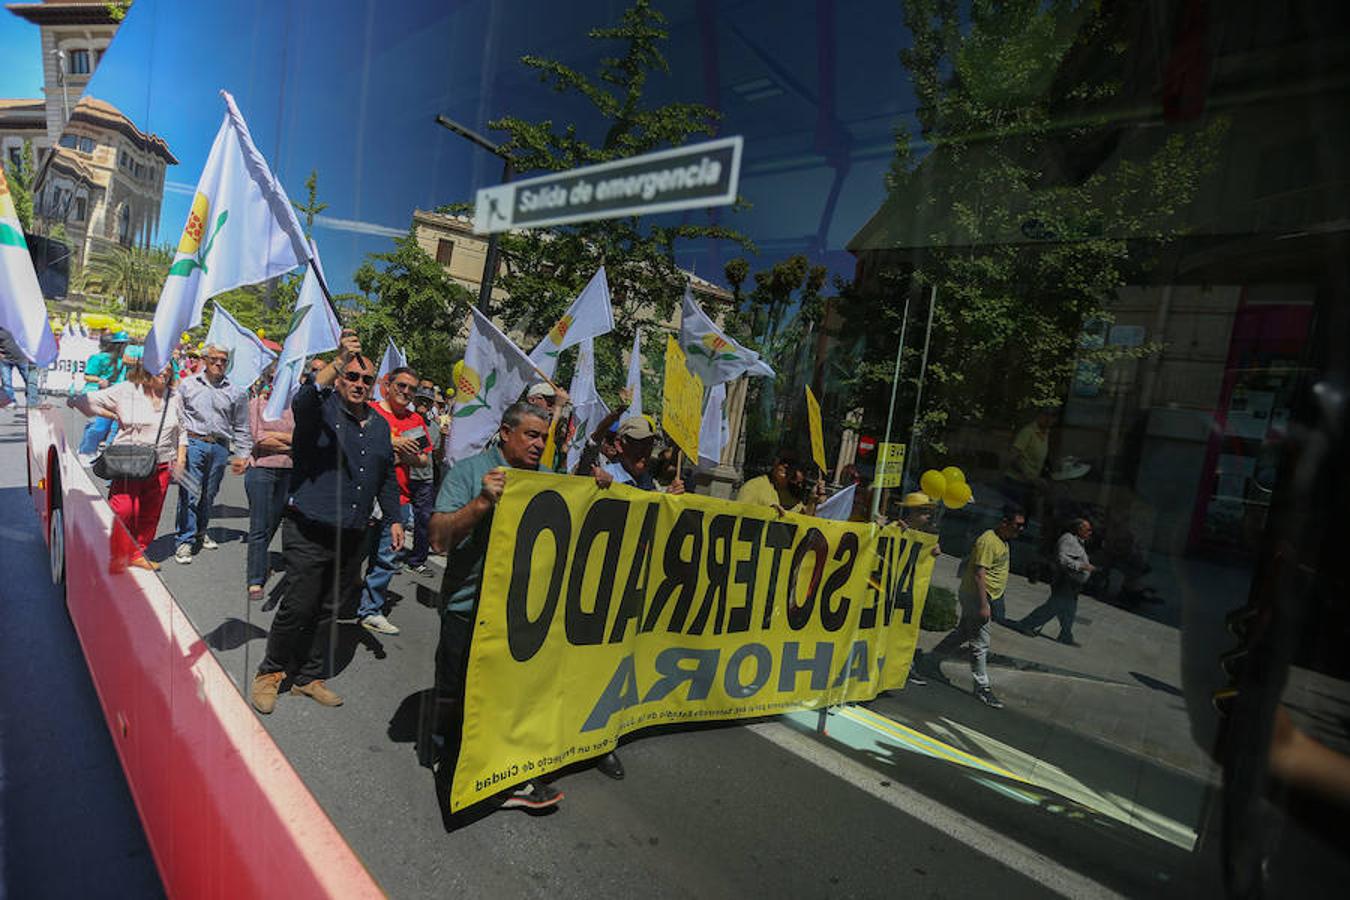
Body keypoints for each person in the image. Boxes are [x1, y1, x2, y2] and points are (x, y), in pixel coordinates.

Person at [250, 331, 402, 714]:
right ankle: (271, 673)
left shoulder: (380, 425)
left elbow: (383, 475)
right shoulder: (322, 410)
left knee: (331, 608)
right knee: (299, 606)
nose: (358, 384)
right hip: (308, 528)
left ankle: (307, 677)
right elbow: (303, 399)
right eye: (351, 376)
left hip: (352, 533)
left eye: (366, 380)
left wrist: (395, 519)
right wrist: (338, 358)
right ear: (339, 379)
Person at [428, 401, 563, 810]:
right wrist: (483, 502)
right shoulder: (469, 472)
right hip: (468, 609)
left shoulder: (549, 482)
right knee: (455, 692)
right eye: (532, 435)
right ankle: (449, 765)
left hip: (519, 617)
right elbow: (438, 538)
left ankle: (497, 774)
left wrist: (599, 487)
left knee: (507, 697)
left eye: (545, 436)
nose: (540, 444)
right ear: (506, 433)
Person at [587, 414, 685, 781]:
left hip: (636, 588)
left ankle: (606, 732)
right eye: (639, 443)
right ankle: (596, 741)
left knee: (622, 663)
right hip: (602, 589)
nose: (646, 451)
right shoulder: (600, 475)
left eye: (650, 444)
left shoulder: (645, 481)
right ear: (622, 445)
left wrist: (671, 502)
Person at [67, 354, 181, 570]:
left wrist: (180, 456)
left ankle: (137, 553)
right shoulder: (127, 390)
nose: (165, 373)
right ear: (146, 368)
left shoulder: (174, 396)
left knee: (150, 512)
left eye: (168, 369)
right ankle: (117, 553)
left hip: (162, 462)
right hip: (128, 461)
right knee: (124, 509)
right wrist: (112, 415)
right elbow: (83, 401)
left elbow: (181, 427)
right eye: (160, 368)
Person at [926, 504, 1025, 709]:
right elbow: (980, 574)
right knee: (980, 643)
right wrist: (983, 605)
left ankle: (930, 660)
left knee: (962, 633)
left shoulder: (1003, 541)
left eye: (1022, 526)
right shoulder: (989, 541)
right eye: (1017, 525)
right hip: (977, 596)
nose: (1020, 530)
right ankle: (982, 687)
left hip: (985, 596)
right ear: (1004, 522)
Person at [355, 365, 429, 635]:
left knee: (387, 558)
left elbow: (422, 458)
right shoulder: (370, 410)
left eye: (411, 389)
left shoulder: (416, 421)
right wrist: (393, 444)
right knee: (352, 553)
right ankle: (339, 600)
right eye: (402, 386)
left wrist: (397, 452)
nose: (406, 392)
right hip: (363, 496)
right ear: (388, 384)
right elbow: (357, 442)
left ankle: (370, 610)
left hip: (399, 499)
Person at [172, 343, 251, 564]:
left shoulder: (236, 392)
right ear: (205, 360)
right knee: (190, 492)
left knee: (209, 493)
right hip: (194, 443)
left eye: (223, 360)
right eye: (214, 359)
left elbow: (242, 425)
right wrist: (176, 450)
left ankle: (200, 531)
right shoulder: (187, 385)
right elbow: (177, 418)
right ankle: (185, 540)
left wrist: (242, 454)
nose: (218, 363)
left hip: (220, 447)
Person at [244, 385, 295, 601]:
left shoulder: (296, 407)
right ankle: (255, 580)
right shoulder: (257, 404)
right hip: (261, 471)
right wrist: (288, 441)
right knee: (259, 526)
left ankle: (261, 562)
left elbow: (303, 439)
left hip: (289, 472)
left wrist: (275, 437)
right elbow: (259, 438)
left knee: (273, 522)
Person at [1014, 517, 1093, 646]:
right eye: (1088, 529)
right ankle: (1026, 624)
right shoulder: (1068, 539)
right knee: (1053, 606)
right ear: (1079, 529)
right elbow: (1062, 559)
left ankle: (1065, 634)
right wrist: (1081, 567)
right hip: (1065, 580)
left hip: (1072, 583)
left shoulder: (1078, 542)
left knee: (1069, 609)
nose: (1090, 532)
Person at [76, 331, 130, 460]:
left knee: (114, 424)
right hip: (99, 394)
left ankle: (105, 449)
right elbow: (87, 376)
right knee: (99, 426)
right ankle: (86, 450)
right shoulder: (99, 358)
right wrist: (99, 380)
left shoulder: (125, 361)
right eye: (124, 344)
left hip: (117, 396)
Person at [404, 386, 439, 576]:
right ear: (414, 401)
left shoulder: (435, 427)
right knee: (398, 519)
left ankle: (417, 560)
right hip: (404, 476)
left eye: (428, 401)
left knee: (424, 520)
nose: (423, 404)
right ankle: (387, 558)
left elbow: (436, 454)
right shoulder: (405, 420)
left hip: (425, 479)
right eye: (420, 400)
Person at [736, 449, 824, 514]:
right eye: (783, 461)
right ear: (775, 462)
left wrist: (813, 500)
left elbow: (803, 520)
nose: (786, 465)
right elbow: (737, 513)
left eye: (792, 463)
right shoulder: (753, 486)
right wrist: (766, 513)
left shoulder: (792, 495)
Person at [1003, 409, 1053, 516]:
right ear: (1039, 416)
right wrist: (1028, 477)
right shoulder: (1028, 432)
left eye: (1052, 416)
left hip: (1029, 485)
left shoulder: (1046, 434)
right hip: (1015, 483)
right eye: (1046, 415)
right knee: (1012, 518)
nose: (1048, 419)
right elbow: (1012, 458)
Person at [0, 325, 40, 411]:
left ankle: (31, 401)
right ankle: (11, 401)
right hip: (5, 359)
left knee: (29, 381)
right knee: (6, 382)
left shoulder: (20, 325)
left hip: (22, 359)